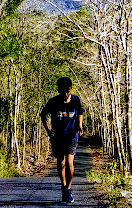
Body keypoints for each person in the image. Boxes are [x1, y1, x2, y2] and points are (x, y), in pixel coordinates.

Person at [40, 76, 83, 204]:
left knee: (70, 162)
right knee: (61, 162)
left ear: (70, 90)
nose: (66, 94)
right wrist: (48, 130)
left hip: (71, 135)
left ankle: (68, 189)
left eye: (68, 91)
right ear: (58, 90)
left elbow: (80, 112)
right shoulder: (53, 101)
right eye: (63, 91)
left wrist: (80, 125)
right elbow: (43, 115)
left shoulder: (76, 100)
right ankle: (63, 185)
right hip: (58, 136)